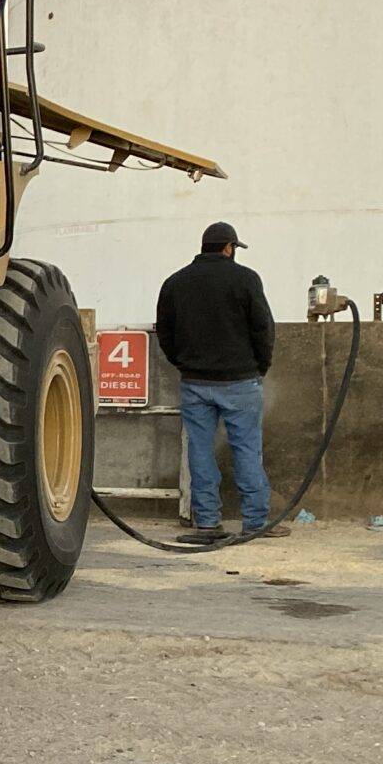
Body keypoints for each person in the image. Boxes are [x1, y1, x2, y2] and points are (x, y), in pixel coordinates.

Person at [154, 221, 276, 542]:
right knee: (247, 450)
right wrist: (260, 366)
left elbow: (164, 332)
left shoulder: (175, 283)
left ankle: (207, 523)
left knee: (200, 451)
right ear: (228, 248)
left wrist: (182, 363)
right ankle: (255, 524)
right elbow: (263, 329)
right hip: (240, 381)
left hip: (195, 382)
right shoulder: (246, 279)